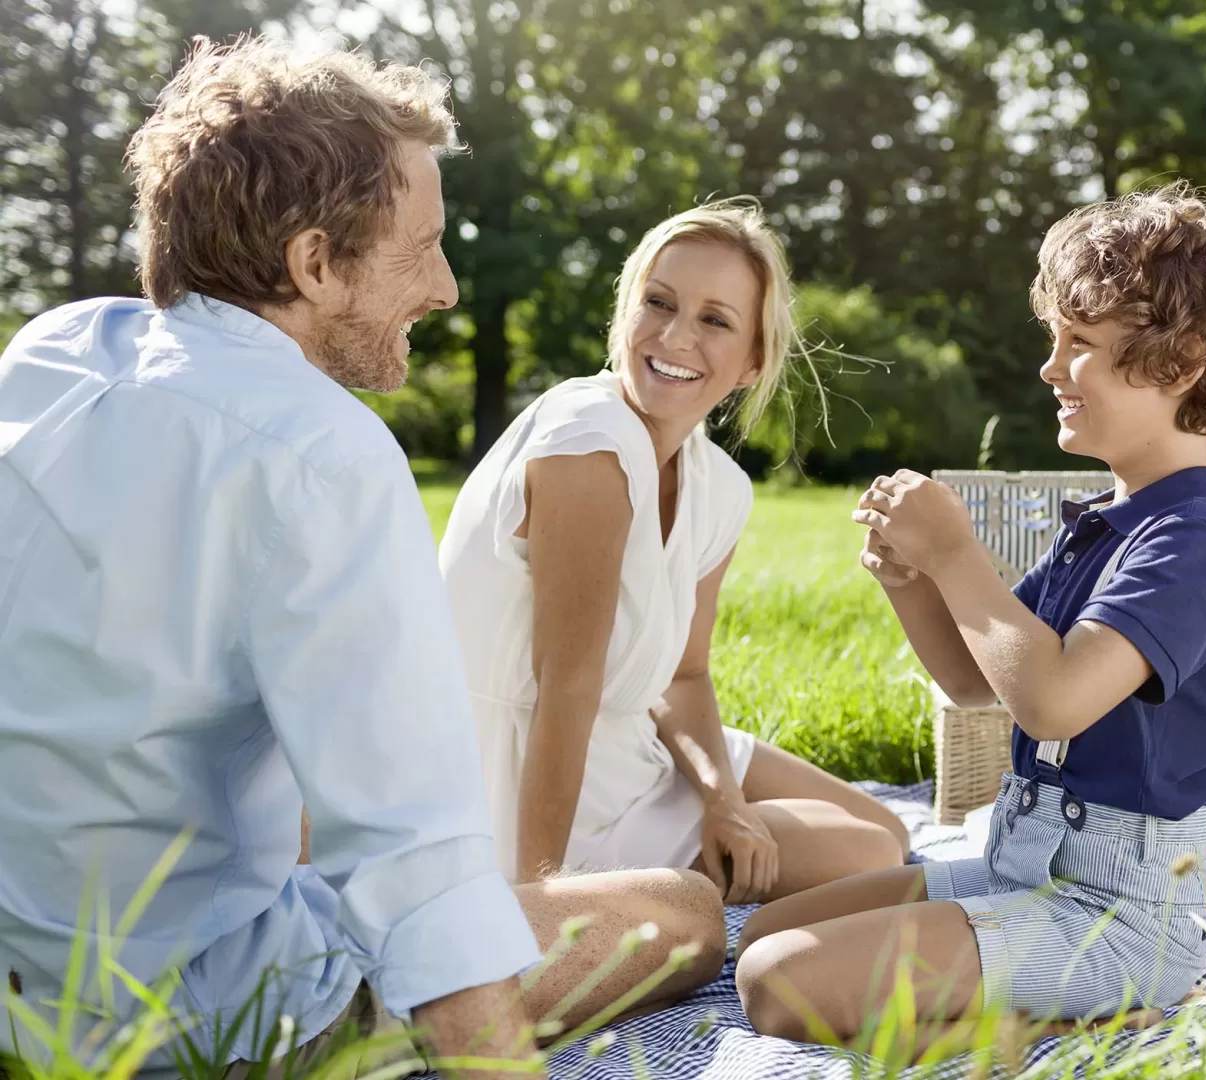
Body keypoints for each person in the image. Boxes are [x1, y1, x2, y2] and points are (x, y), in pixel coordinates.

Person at [0, 38, 723, 1077]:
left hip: (20, 977)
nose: (445, 287)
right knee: (684, 911)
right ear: (311, 264)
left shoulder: (56, 355)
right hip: (184, 1017)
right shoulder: (323, 452)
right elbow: (416, 870)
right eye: (420, 247)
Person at [730, 183, 1206, 1046]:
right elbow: (974, 679)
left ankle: (1079, 1029)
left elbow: (1055, 701)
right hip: (1021, 869)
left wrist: (958, 554)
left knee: (779, 986)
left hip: (1115, 918)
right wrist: (912, 579)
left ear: (1177, 366)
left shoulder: (1194, 541)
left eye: (1080, 345)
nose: (1050, 367)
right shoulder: (1112, 523)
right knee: (765, 935)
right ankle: (1032, 1002)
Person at [437, 199, 909, 902]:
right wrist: (542, 897)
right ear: (624, 314)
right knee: (867, 852)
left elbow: (684, 677)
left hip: (626, 743)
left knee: (888, 831)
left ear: (752, 360)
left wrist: (723, 798)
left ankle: (708, 864)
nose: (676, 335)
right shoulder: (588, 440)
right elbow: (566, 687)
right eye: (657, 302)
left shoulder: (718, 485)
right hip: (518, 769)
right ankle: (650, 894)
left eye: (715, 319)